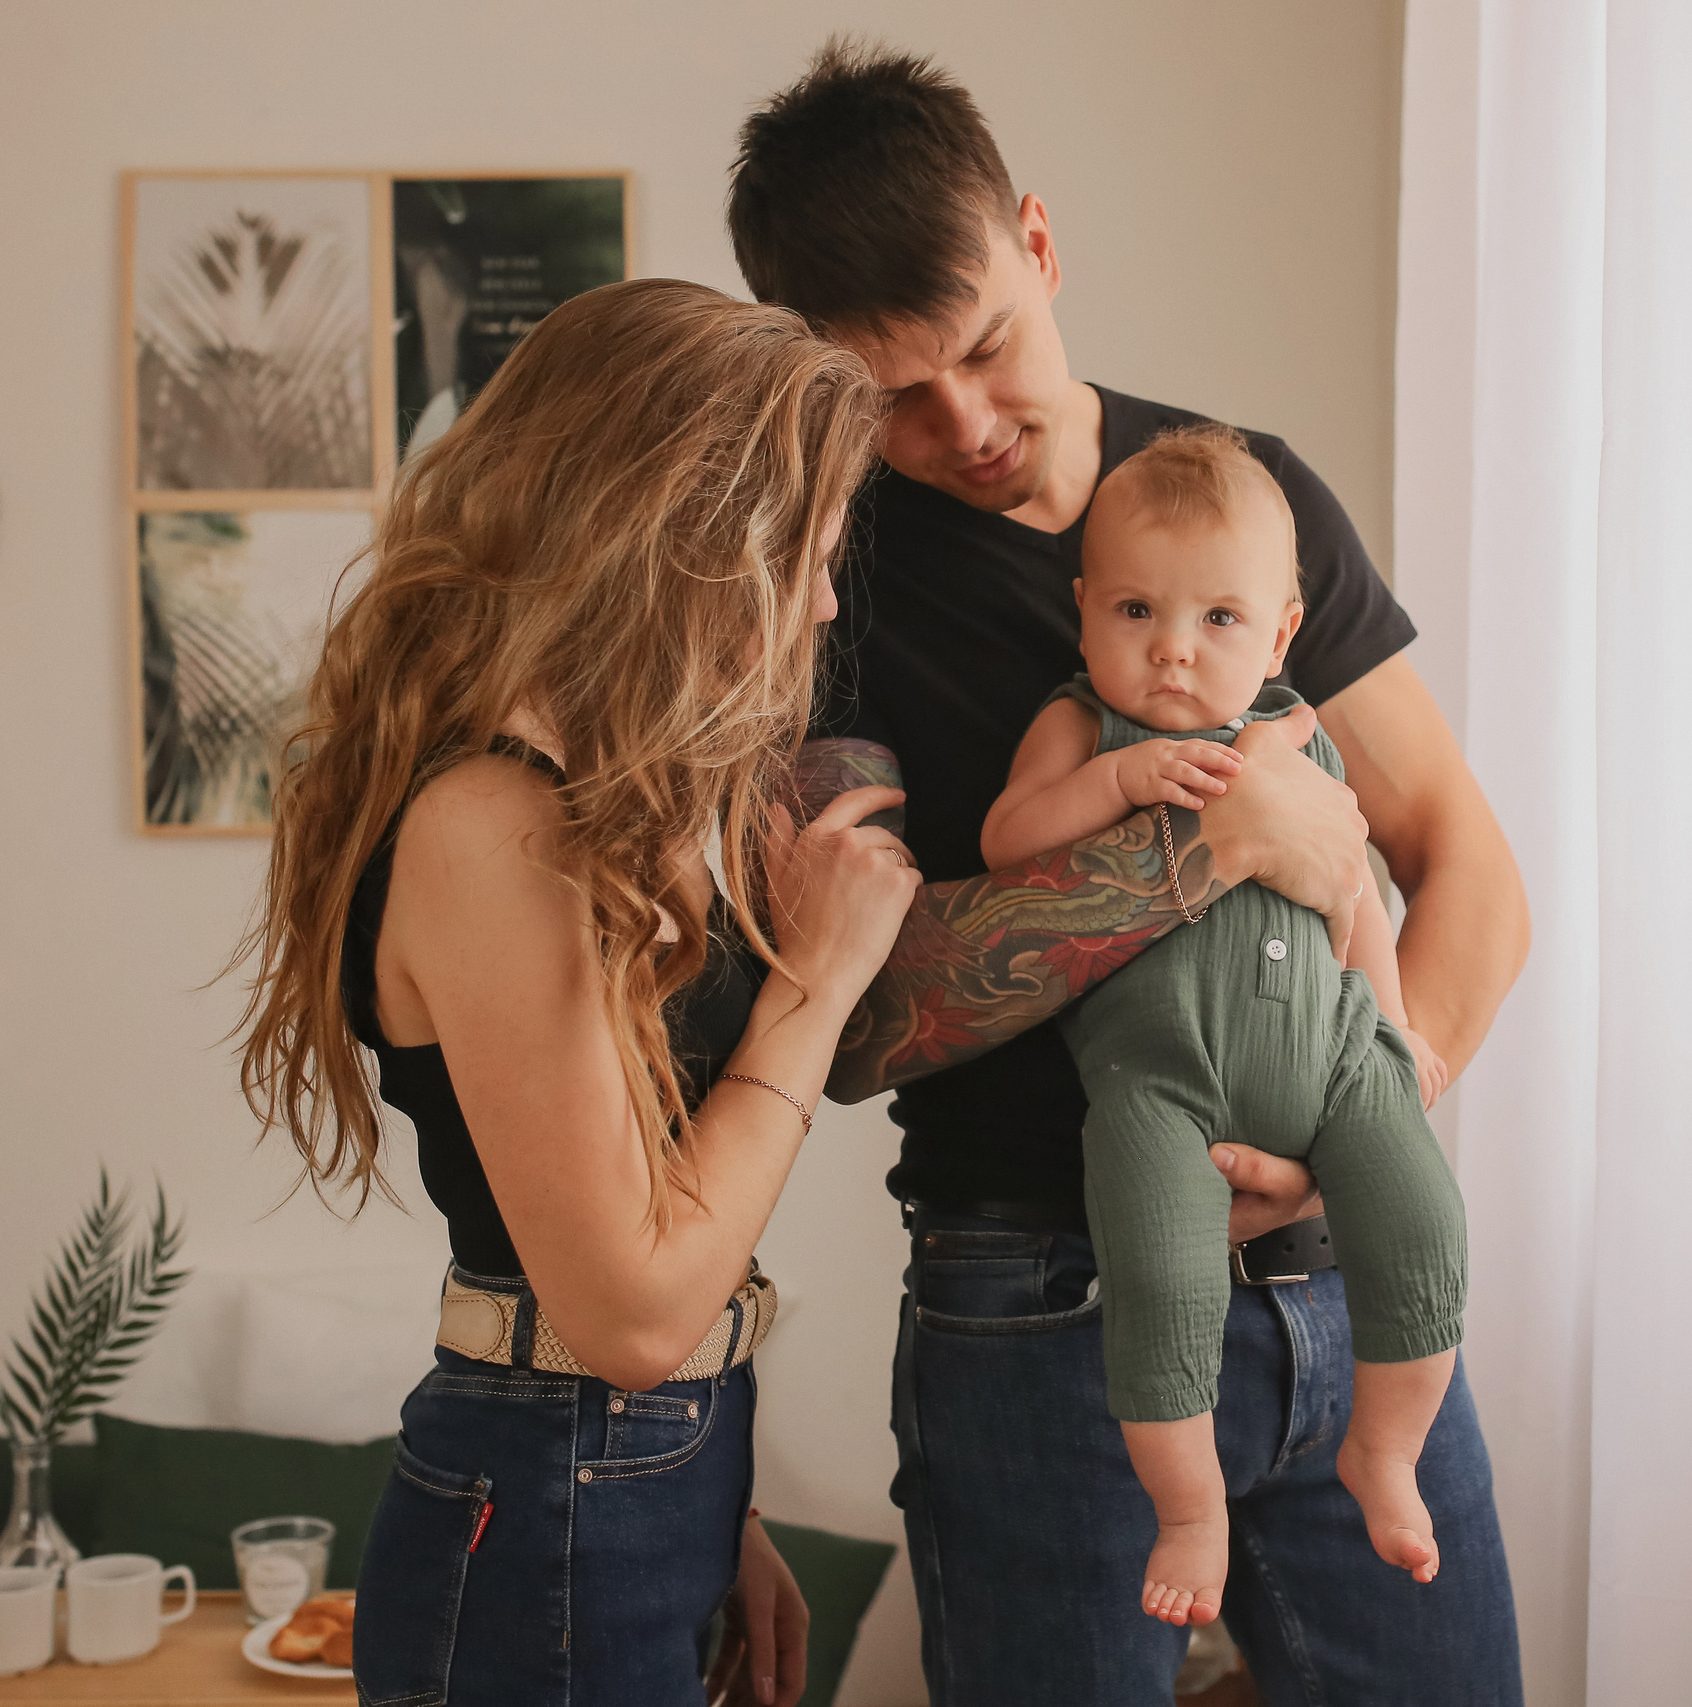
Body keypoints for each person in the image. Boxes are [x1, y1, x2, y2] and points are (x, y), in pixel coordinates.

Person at [729, 41, 1531, 1706]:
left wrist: (1369, 1112)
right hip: (1037, 1311)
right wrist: (1208, 845)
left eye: (985, 351)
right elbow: (864, 1015)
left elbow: (1467, 863)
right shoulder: (827, 587)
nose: (963, 427)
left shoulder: (1255, 498)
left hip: (1345, 1298)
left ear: (1039, 240)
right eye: (888, 394)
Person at [232, 277, 919, 1707]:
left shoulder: (589, 799)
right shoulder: (491, 819)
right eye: (813, 550)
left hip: (624, 1474)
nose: (830, 596)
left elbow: (646, 1245)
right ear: (691, 537)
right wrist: (819, 980)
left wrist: (707, 1491)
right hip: (555, 1485)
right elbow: (624, 1311)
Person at [981, 424, 1470, 1627]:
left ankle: (1387, 1452)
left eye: (1217, 622)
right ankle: (1187, 1509)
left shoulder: (1301, 732)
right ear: (1085, 608)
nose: (1170, 655)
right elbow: (1003, 846)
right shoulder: (1080, 728)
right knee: (1158, 1283)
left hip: (1338, 1061)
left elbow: (1356, 885)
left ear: (1282, 633)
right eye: (1137, 612)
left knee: (1421, 1226)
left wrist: (1395, 1038)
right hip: (1159, 1087)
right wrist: (1112, 789)